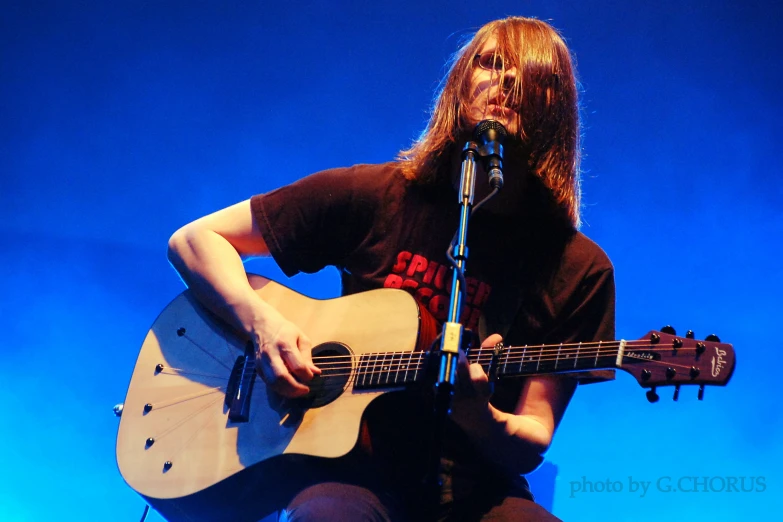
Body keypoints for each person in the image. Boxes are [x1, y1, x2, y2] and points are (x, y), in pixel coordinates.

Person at [167, 16, 615, 522]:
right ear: (461, 84)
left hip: (474, 487)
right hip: (348, 468)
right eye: (490, 63)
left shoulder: (577, 268)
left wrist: (481, 415)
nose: (506, 81)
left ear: (555, 109)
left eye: (529, 74)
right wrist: (262, 324)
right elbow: (194, 240)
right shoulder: (375, 196)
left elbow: (532, 434)